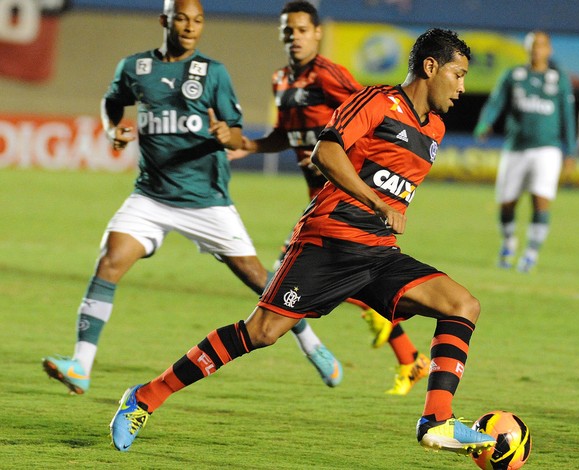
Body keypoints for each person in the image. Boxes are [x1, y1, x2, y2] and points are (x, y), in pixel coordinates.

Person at [110, 27, 497, 456]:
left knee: (463, 305)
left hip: (378, 253)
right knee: (261, 333)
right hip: (327, 242)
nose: (462, 87)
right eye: (458, 74)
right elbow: (326, 153)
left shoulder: (437, 129)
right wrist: (374, 201)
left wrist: (382, 213)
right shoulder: (376, 102)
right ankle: (144, 397)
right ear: (430, 67)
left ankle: (436, 420)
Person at [41, 0, 341, 396]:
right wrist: (113, 128)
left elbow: (236, 133)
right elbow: (112, 102)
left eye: (197, 21)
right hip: (151, 196)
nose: (190, 27)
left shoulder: (213, 73)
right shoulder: (135, 68)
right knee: (110, 261)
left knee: (257, 278)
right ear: (165, 20)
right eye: (181, 19)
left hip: (206, 201)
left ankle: (312, 344)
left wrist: (226, 136)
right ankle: (81, 364)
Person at [228, 0, 429, 395]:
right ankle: (407, 357)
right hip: (318, 202)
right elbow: (283, 135)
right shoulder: (282, 81)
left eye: (302, 30)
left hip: (347, 201)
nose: (295, 37)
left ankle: (323, 350)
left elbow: (376, 119)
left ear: (317, 33)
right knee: (322, 282)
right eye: (288, 31)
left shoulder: (329, 75)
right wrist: (247, 146)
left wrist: (336, 150)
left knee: (289, 280)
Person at [474, 31, 577, 273]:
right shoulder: (514, 75)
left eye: (541, 45)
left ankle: (531, 253)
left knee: (540, 201)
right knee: (506, 203)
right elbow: (495, 102)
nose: (536, 49)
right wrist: (485, 122)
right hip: (516, 148)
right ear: (526, 48)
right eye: (533, 45)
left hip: (547, 149)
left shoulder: (559, 79)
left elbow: (567, 117)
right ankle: (509, 242)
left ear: (549, 49)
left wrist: (570, 151)